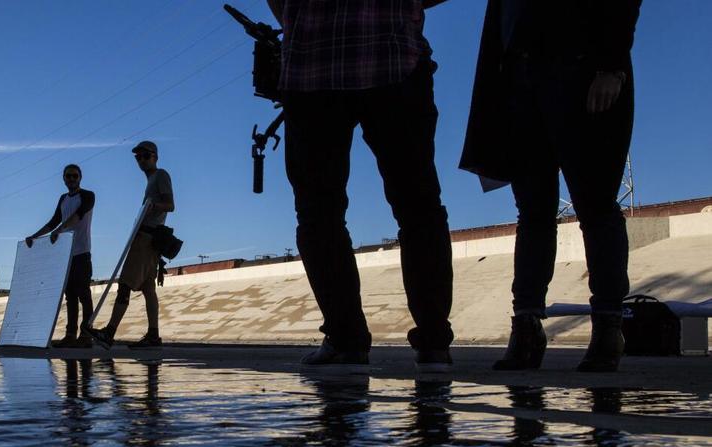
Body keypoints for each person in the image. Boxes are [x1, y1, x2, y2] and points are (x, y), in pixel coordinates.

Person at [268, 0, 454, 371]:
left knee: (319, 213)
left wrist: (296, 20)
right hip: (390, 58)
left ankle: (346, 339)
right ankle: (433, 344)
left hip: (314, 67)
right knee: (418, 207)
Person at [460, 1, 642, 373]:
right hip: (519, 79)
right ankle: (526, 326)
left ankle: (608, 326)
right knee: (532, 212)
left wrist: (612, 66)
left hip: (580, 67)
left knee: (595, 205)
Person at [87, 141, 174, 349]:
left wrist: (153, 205)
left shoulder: (161, 175)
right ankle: (154, 335)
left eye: (145, 155)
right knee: (147, 288)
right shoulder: (151, 179)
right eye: (138, 157)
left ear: (155, 156)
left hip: (146, 239)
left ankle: (110, 332)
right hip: (147, 239)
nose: (141, 160)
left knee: (125, 284)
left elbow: (170, 205)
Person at [25, 164, 96, 348]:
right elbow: (54, 221)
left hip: (81, 252)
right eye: (68, 176)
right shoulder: (63, 199)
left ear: (80, 177)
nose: (71, 179)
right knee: (70, 296)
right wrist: (35, 236)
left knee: (84, 294)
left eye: (74, 176)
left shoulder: (88, 196)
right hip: (65, 256)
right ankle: (70, 335)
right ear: (63, 179)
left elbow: (77, 216)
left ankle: (86, 335)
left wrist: (60, 229)